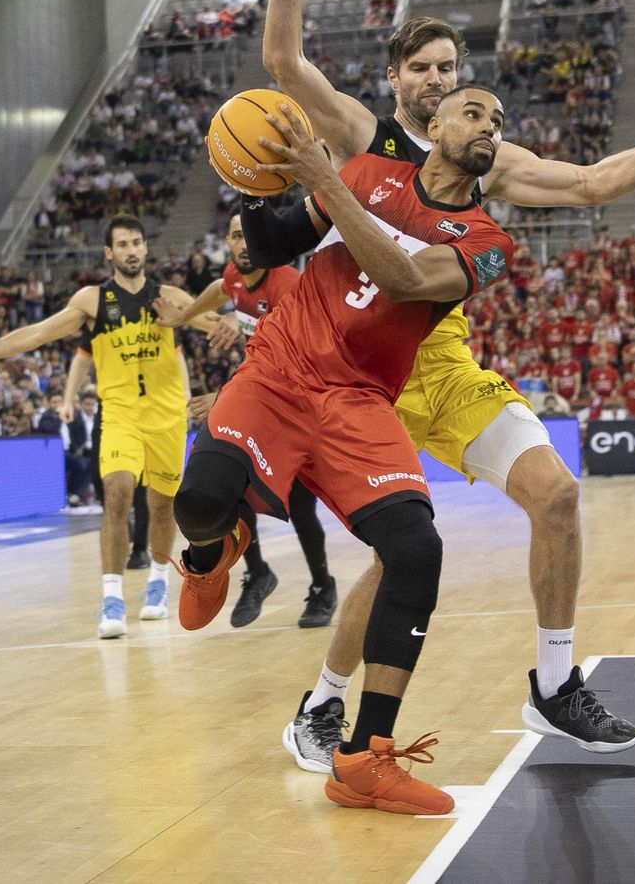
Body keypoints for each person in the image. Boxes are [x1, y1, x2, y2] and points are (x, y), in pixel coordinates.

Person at [261, 0, 635, 775]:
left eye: (452, 67)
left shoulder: (486, 159)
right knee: (395, 552)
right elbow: (285, 65)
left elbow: (595, 182)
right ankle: (321, 708)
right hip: (354, 377)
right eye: (424, 68)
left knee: (558, 494)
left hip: (440, 367)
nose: (441, 78)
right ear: (398, 80)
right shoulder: (364, 138)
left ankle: (554, 685)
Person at [167, 86, 515, 818]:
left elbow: (406, 279)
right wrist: (257, 183)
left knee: (416, 549)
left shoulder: (487, 241)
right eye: (475, 112)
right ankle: (210, 555)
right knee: (196, 504)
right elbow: (273, 245)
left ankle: (364, 760)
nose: (490, 126)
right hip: (280, 371)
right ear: (436, 125)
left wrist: (323, 178)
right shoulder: (365, 175)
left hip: (359, 401)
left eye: (499, 121)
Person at [0, 216, 190, 638]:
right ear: (108, 253)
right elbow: (36, 333)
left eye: (137, 243)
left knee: (162, 507)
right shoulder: (92, 301)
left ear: (146, 249)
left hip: (167, 418)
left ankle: (158, 584)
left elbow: (214, 319)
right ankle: (111, 598)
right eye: (122, 244)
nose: (131, 250)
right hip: (121, 416)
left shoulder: (168, 297)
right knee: (117, 494)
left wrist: (217, 320)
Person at [155, 213, 337, 629]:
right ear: (228, 243)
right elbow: (220, 289)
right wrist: (183, 317)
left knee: (301, 506)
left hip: (297, 401)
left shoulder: (287, 284)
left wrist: (223, 390)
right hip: (256, 398)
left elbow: (298, 359)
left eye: (248, 233)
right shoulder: (236, 276)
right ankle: (256, 573)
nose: (243, 243)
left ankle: (322, 586)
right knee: (232, 493)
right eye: (236, 235)